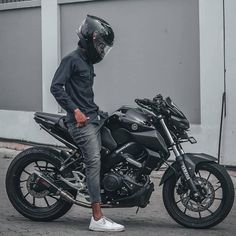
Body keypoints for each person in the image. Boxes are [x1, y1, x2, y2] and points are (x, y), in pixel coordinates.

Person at [50, 15, 125, 232]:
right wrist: (75, 111)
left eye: (104, 46)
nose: (102, 50)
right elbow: (56, 87)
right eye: (100, 44)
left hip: (93, 117)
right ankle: (97, 218)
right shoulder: (71, 59)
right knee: (93, 162)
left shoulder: (87, 62)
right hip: (80, 123)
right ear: (90, 38)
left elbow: (83, 93)